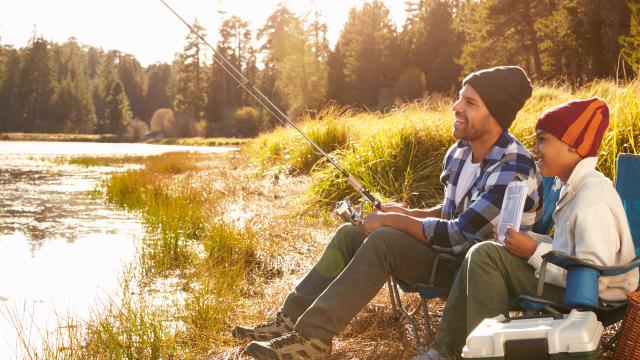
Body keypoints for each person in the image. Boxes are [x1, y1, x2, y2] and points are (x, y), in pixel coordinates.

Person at [233, 66, 542, 360]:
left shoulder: (513, 166)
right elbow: (450, 213)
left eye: (470, 102)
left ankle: (310, 341)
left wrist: (393, 220)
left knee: (384, 240)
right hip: (448, 257)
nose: (456, 106)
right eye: (461, 96)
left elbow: (459, 236)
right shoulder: (460, 152)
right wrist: (406, 212)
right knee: (350, 234)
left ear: (496, 116)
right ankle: (289, 321)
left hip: (472, 274)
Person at [423, 98, 640, 359]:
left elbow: (590, 271)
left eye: (543, 140)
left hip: (593, 297)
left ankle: (479, 351)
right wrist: (528, 239)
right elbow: (566, 249)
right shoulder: (574, 186)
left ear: (573, 145)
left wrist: (533, 251)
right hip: (572, 282)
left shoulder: (591, 196)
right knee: (484, 253)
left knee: (485, 256)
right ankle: (447, 347)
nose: (535, 149)